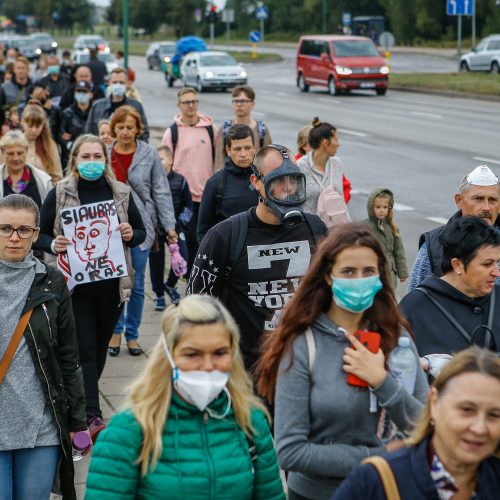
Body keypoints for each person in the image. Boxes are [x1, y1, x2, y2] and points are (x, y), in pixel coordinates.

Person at [256, 223, 429, 500]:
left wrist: (383, 383)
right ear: (328, 276)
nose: (359, 279)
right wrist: (380, 457)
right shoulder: (303, 343)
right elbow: (290, 451)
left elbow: (424, 426)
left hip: (387, 490)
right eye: (348, 271)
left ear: (380, 276)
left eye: (368, 272)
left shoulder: (397, 337)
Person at [85, 295, 286, 500]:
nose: (208, 365)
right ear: (169, 357)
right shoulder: (128, 430)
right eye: (192, 354)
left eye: (219, 353)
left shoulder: (250, 421)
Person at [37, 134, 146, 440]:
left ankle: (79, 400)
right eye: (85, 157)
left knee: (98, 350)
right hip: (76, 288)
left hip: (111, 287)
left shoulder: (121, 192)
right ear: (74, 160)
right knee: (83, 348)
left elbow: (141, 232)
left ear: (105, 159)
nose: (91, 162)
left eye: (97, 156)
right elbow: (40, 234)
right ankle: (91, 416)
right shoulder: (59, 193)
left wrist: (129, 233)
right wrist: (53, 243)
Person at [188, 144, 327, 371]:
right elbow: (196, 306)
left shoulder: (316, 229)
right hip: (246, 371)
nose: (288, 189)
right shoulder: (224, 236)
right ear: (256, 182)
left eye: (293, 180)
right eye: (279, 181)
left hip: (303, 366)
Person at [0, 193, 88, 500]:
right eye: (5, 228)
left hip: (41, 425)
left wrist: (78, 421)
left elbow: (68, 356)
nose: (14, 237)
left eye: (24, 230)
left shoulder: (51, 282)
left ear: (36, 234)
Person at [333, 346, 500, 500]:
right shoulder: (374, 482)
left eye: (494, 415)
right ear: (434, 403)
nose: (479, 428)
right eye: (467, 410)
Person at [106, 106, 176, 357]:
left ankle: (132, 335)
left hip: (142, 227)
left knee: (136, 285)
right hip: (110, 228)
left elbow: (160, 190)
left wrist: (169, 227)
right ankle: (115, 331)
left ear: (138, 129)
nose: (125, 132)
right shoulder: (104, 154)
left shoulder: (148, 154)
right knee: (115, 282)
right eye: (121, 127)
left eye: (130, 127)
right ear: (114, 128)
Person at [400, 216, 500, 357]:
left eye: (497, 262)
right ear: (457, 265)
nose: (496, 272)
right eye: (487, 264)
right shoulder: (414, 307)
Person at [408, 165, 500, 292]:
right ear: (459, 201)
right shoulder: (434, 245)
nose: (486, 207)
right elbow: (415, 302)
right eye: (478, 199)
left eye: (492, 200)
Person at [162, 87, 217, 273]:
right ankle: (191, 276)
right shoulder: (172, 133)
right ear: (179, 105)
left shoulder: (210, 130)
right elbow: (164, 163)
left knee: (208, 240)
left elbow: (217, 160)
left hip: (208, 196)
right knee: (190, 241)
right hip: (185, 199)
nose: (191, 105)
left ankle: (204, 275)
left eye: (194, 101)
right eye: (186, 102)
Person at [197, 124, 259, 243]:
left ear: (254, 148)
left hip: (260, 253)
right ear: (228, 150)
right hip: (227, 254)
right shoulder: (215, 183)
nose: (243, 154)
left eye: (248, 148)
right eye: (237, 149)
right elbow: (203, 231)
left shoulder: (264, 179)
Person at [149, 145, 192, 310]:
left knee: (184, 258)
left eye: (161, 159)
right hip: (156, 230)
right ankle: (159, 295)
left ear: (171, 160)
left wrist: (179, 224)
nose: (158, 162)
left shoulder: (180, 181)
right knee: (156, 263)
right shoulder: (150, 181)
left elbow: (188, 206)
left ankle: (170, 285)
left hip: (175, 228)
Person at [297, 118, 349, 228]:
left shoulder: (336, 164)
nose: (338, 144)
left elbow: (341, 199)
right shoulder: (299, 167)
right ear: (326, 143)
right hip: (309, 230)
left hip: (333, 230)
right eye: (336, 140)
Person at [214, 85, 272, 169]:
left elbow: (268, 159)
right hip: (230, 178)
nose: (239, 105)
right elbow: (219, 160)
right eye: (236, 101)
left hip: (256, 178)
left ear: (252, 104)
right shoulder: (225, 129)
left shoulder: (262, 129)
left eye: (243, 101)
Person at [85, 67, 149, 141]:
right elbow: (89, 133)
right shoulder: (97, 106)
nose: (118, 85)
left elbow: (144, 132)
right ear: (109, 83)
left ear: (127, 83)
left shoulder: (136, 106)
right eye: (115, 82)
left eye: (121, 83)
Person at [362, 187, 408, 288]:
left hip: (389, 272)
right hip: (372, 271)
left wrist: (402, 272)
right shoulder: (364, 227)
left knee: (388, 298)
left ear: (389, 208)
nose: (381, 210)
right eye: (378, 207)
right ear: (371, 207)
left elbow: (399, 252)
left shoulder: (392, 228)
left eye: (385, 207)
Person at [295, 123, 351, 204]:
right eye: (312, 143)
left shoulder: (335, 164)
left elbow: (345, 188)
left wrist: (338, 207)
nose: (338, 144)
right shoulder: (297, 167)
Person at [0, 130, 52, 207]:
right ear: (2, 152)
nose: (16, 158)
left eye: (20, 153)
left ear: (26, 151)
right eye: (10, 154)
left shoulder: (43, 180)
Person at [21, 104, 63, 184]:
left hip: (44, 193)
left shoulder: (49, 145)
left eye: (37, 126)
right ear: (23, 122)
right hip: (18, 192)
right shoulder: (14, 143)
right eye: (30, 126)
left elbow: (57, 176)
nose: (33, 130)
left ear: (43, 125)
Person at [60, 80, 94, 169]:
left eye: (85, 91)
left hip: (94, 155)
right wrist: (72, 146)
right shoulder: (67, 113)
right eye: (79, 91)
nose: (81, 94)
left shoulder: (95, 111)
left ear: (91, 94)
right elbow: (62, 136)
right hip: (73, 156)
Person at [0, 56, 32, 125]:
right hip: (11, 125)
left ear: (28, 70)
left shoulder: (35, 86)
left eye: (23, 68)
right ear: (14, 70)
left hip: (31, 125)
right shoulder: (4, 87)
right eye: (18, 68)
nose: (21, 71)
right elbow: (1, 109)